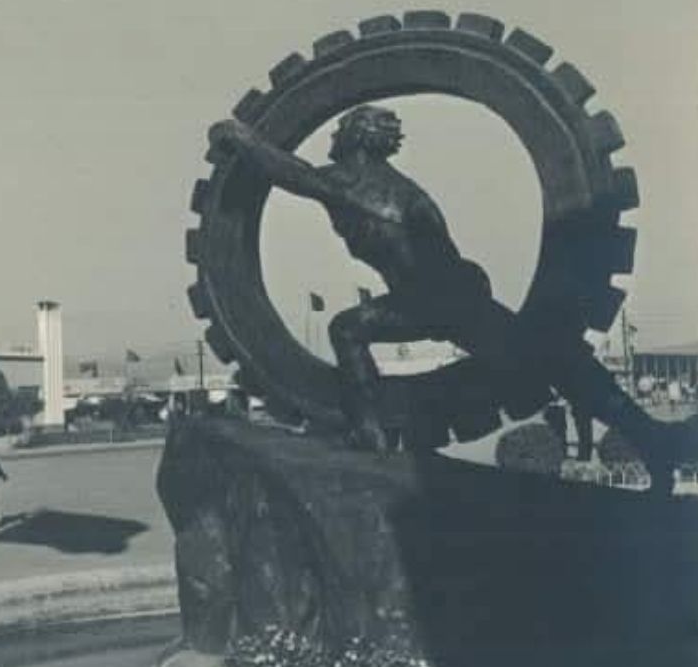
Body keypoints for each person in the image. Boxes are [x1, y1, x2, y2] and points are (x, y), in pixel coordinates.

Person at [210, 106, 695, 493]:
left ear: (356, 137)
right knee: (548, 358)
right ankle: (654, 438)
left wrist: (242, 139)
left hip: (432, 298)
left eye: (341, 130)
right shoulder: (400, 188)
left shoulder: (349, 180)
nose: (333, 138)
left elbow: (289, 172)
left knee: (346, 328)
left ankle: (371, 438)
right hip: (452, 294)